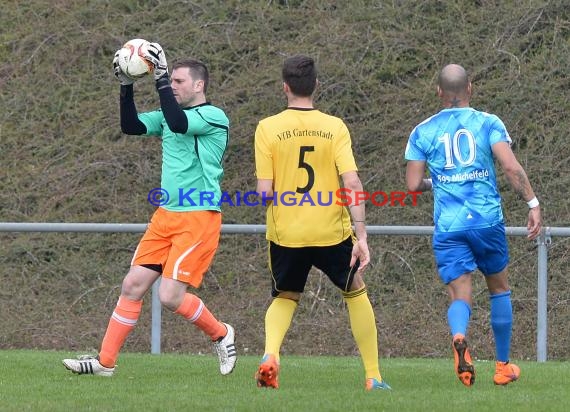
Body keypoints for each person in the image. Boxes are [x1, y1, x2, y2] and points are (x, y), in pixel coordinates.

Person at [63, 43, 236, 376]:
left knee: (170, 296)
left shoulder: (213, 117)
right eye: (172, 82)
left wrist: (159, 76)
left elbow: (179, 122)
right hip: (165, 217)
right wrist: (126, 86)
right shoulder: (170, 116)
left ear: (199, 86)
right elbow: (130, 126)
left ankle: (221, 333)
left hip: (198, 217)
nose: (173, 86)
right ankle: (105, 363)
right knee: (132, 286)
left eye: (179, 82)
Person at [253, 54, 391, 391]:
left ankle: (271, 356)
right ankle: (373, 376)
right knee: (355, 291)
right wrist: (361, 235)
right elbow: (353, 184)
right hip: (331, 230)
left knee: (285, 296)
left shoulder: (267, 128)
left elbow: (264, 193)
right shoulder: (334, 126)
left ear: (285, 87)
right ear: (316, 85)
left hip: (287, 232)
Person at [404, 64, 542, 386]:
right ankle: (503, 366)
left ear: (439, 92)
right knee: (499, 288)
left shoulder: (423, 131)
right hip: (486, 220)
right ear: (471, 88)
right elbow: (509, 167)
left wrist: (438, 182)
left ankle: (459, 336)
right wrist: (533, 204)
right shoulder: (487, 123)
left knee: (460, 294)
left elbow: (412, 185)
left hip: (449, 226)